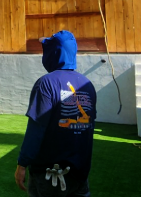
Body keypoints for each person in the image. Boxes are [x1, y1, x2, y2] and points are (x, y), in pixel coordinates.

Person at [15, 30, 96, 196]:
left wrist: (22, 164)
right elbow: (87, 131)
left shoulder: (46, 83)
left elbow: (35, 130)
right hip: (80, 176)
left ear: (54, 52)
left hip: (49, 176)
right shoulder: (88, 85)